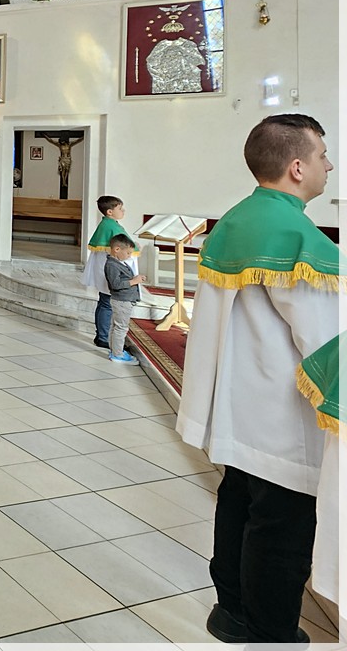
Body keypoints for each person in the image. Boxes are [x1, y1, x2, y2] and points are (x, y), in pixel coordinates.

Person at [176, 113, 338, 646]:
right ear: (297, 167)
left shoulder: (238, 217)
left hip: (238, 405)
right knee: (281, 531)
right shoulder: (295, 234)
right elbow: (326, 340)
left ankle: (231, 612)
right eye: (322, 155)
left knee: (238, 505)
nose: (330, 165)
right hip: (283, 416)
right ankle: (271, 633)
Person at [81, 195, 137, 352]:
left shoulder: (109, 224)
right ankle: (103, 337)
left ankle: (103, 336)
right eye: (120, 208)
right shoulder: (110, 226)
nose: (123, 211)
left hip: (106, 267)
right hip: (109, 269)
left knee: (104, 301)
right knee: (106, 302)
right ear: (110, 212)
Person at [103, 233, 143, 364]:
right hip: (122, 301)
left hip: (123, 300)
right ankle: (117, 354)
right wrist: (134, 281)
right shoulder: (112, 265)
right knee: (121, 328)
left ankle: (115, 350)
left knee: (116, 326)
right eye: (128, 253)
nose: (129, 256)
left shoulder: (117, 263)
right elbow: (116, 284)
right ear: (117, 249)